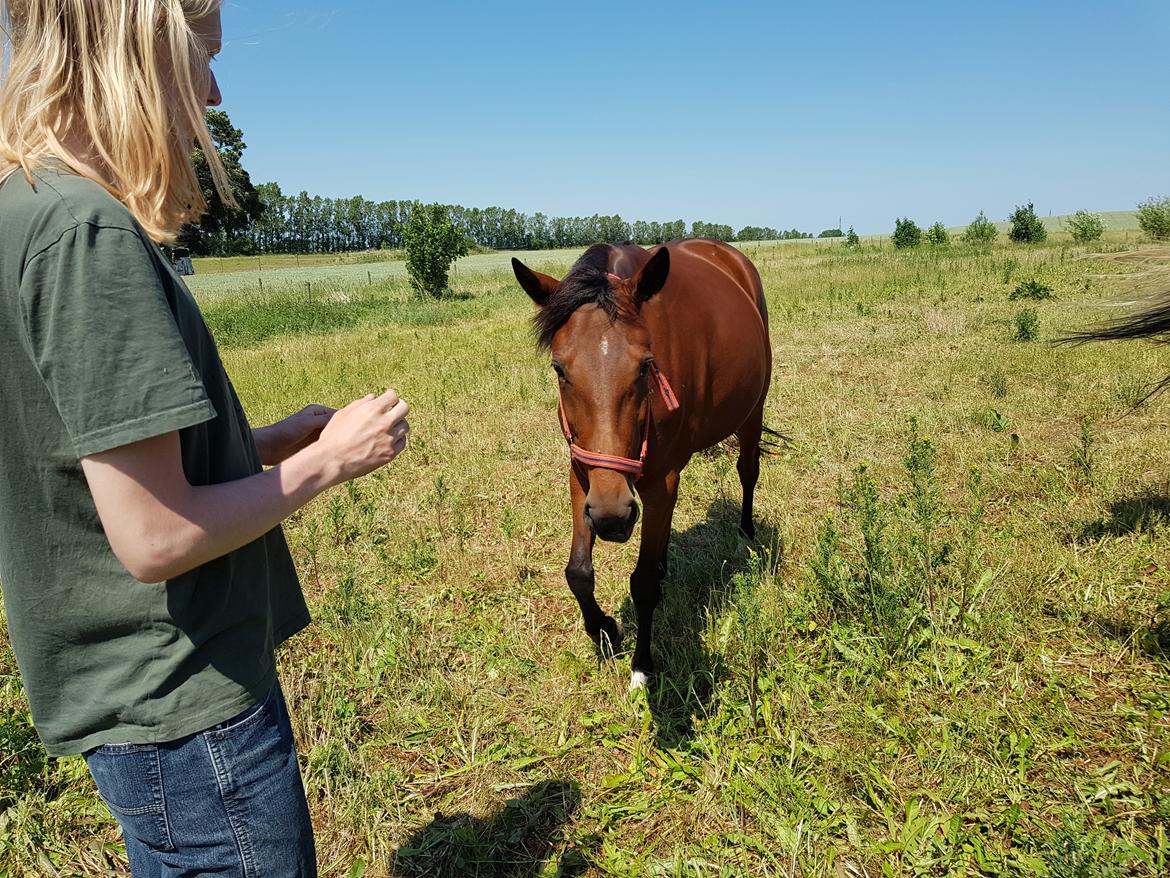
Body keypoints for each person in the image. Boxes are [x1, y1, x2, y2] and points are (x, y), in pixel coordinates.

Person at [0, 2, 409, 874]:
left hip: (144, 707)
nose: (216, 91)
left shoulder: (24, 209)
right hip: (186, 706)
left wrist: (258, 442)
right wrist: (331, 464)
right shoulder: (88, 233)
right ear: (133, 45)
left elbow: (88, 462)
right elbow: (154, 537)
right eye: (204, 53)